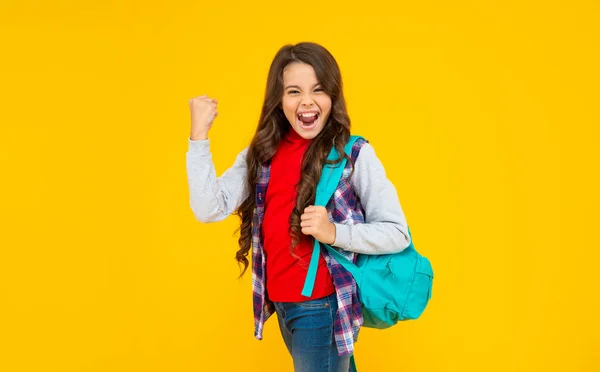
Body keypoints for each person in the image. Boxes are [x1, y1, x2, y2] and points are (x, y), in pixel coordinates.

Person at [186, 42, 411, 372]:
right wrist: (199, 138)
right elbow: (209, 209)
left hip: (322, 306)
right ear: (279, 100)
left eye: (318, 89)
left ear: (332, 96)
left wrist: (334, 232)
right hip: (283, 304)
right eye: (294, 91)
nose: (307, 101)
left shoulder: (353, 155)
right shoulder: (261, 155)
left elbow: (397, 234)